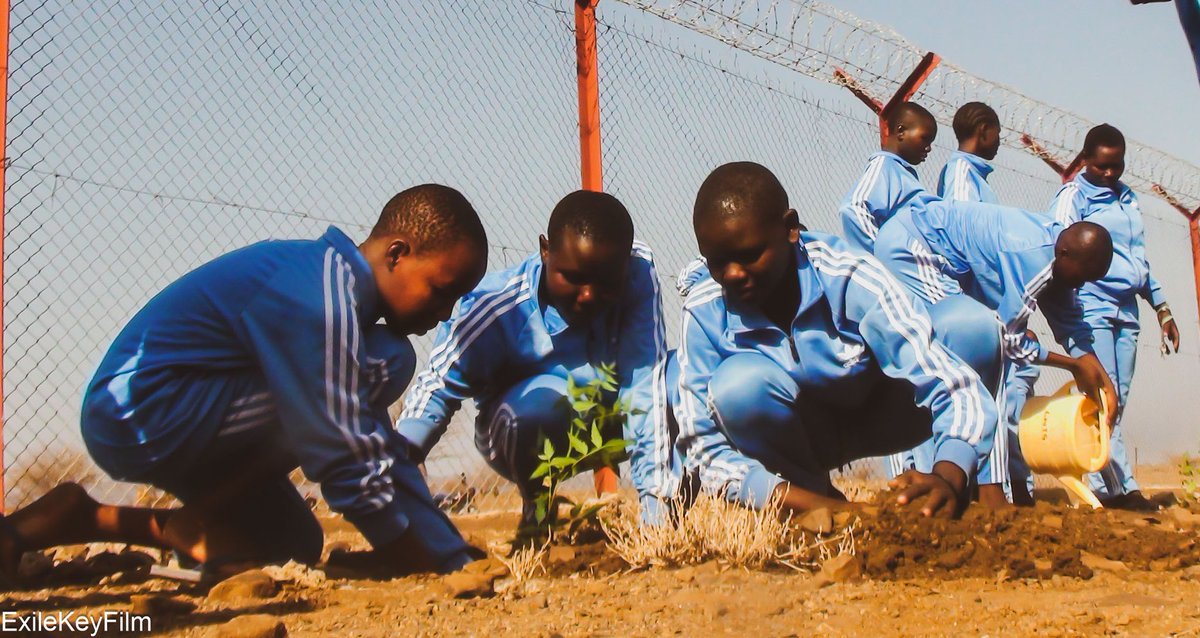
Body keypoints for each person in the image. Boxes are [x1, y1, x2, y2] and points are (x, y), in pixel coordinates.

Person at [0, 185, 491, 583]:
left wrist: (444, 548)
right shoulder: (322, 293)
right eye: (442, 290)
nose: (444, 313)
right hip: (144, 410)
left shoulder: (339, 305)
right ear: (398, 253)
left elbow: (377, 447)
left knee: (291, 544)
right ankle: (205, 516)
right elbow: (342, 449)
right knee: (385, 363)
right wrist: (410, 550)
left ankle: (86, 517)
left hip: (189, 416)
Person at [675, 161, 1000, 519]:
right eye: (717, 262)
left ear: (790, 229)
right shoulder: (703, 312)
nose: (733, 274)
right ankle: (818, 508)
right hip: (804, 442)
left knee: (971, 328)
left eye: (751, 255)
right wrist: (822, 507)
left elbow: (950, 381)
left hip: (890, 414)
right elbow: (703, 447)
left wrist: (948, 473)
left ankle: (956, 497)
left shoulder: (849, 275)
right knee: (735, 387)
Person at [396, 191, 676, 528]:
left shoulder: (637, 275)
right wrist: (403, 456)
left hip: (607, 418)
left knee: (679, 383)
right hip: (521, 428)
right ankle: (539, 507)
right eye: (572, 278)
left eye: (605, 284)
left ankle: (677, 508)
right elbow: (438, 386)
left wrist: (654, 503)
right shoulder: (497, 304)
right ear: (545, 250)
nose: (588, 295)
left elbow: (646, 385)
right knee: (546, 398)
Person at [873, 200, 1119, 505]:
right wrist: (1071, 365)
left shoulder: (1060, 255)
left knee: (984, 356)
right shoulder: (1034, 259)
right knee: (959, 349)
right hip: (913, 248)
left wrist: (1097, 373)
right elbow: (1009, 339)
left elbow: (1071, 324)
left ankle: (987, 487)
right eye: (1080, 277)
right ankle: (951, 483)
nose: (1079, 285)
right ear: (1064, 253)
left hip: (943, 260)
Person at [1051, 123, 1181, 511]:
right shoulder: (1073, 197)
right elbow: (1059, 246)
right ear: (1086, 159)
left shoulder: (1128, 198)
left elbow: (1137, 261)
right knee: (1101, 397)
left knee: (1116, 400)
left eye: (1117, 166)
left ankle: (1097, 483)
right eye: (1102, 166)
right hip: (1090, 304)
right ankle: (1121, 487)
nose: (1109, 173)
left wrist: (1162, 307)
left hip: (1128, 309)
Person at [838, 102, 940, 253]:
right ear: (901, 131)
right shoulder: (885, 166)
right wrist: (882, 258)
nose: (929, 148)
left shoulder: (902, 173)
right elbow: (853, 208)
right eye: (924, 138)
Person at [937, 102, 1002, 204]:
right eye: (997, 133)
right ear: (984, 130)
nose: (999, 141)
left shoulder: (971, 171)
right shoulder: (961, 170)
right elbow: (962, 216)